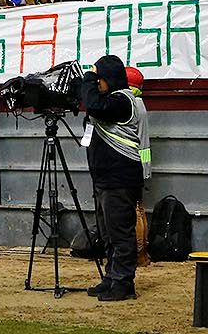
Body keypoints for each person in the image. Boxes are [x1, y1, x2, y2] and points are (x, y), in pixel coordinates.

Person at [78, 55, 152, 302]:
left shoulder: (123, 101)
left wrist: (87, 77)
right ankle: (112, 277)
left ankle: (123, 283)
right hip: (107, 179)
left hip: (120, 179)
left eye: (98, 79)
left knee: (121, 233)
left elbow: (94, 105)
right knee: (108, 232)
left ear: (107, 79)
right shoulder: (112, 101)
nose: (95, 85)